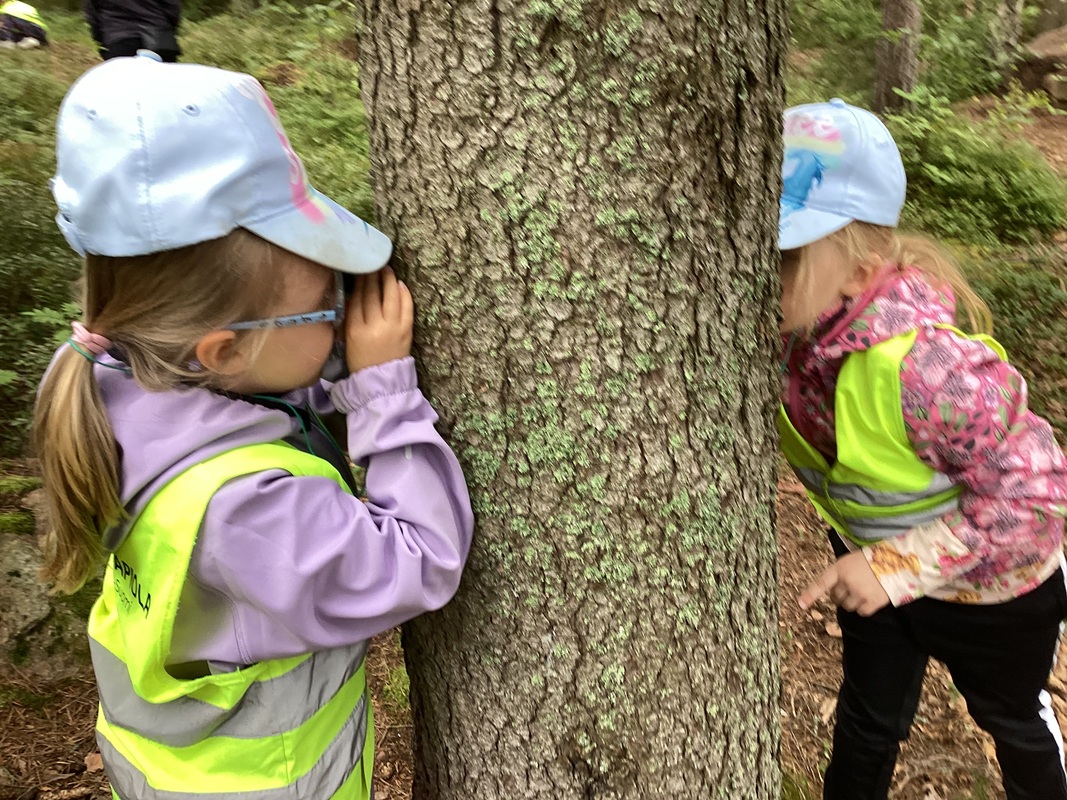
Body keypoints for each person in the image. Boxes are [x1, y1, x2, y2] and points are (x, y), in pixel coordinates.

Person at [37, 52, 473, 799]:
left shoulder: (109, 382)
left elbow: (264, 400)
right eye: (326, 303)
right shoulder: (246, 510)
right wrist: (383, 395)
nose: (343, 313)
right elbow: (421, 561)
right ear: (223, 350)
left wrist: (325, 365)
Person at [777, 98, 1067, 800]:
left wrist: (894, 566)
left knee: (1012, 719)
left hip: (994, 593)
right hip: (876, 571)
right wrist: (882, 569)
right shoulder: (796, 341)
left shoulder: (930, 371)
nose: (753, 272)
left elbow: (1035, 498)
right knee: (868, 720)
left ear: (860, 270)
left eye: (783, 257)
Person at [82, 0, 180, 62]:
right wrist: (168, 30)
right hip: (159, 36)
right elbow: (172, 7)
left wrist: (101, 39)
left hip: (118, 36)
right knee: (165, 84)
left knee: (124, 86)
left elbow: (92, 12)